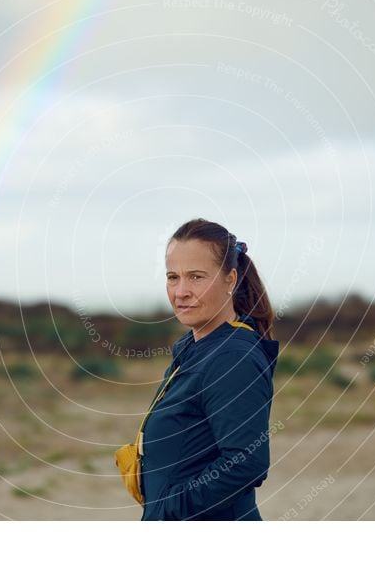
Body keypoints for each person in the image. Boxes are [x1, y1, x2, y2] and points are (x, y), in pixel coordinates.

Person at [139, 218, 280, 521]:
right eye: (173, 277)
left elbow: (245, 463)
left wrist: (169, 511)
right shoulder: (194, 347)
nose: (181, 291)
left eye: (196, 277)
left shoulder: (232, 358)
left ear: (230, 279)